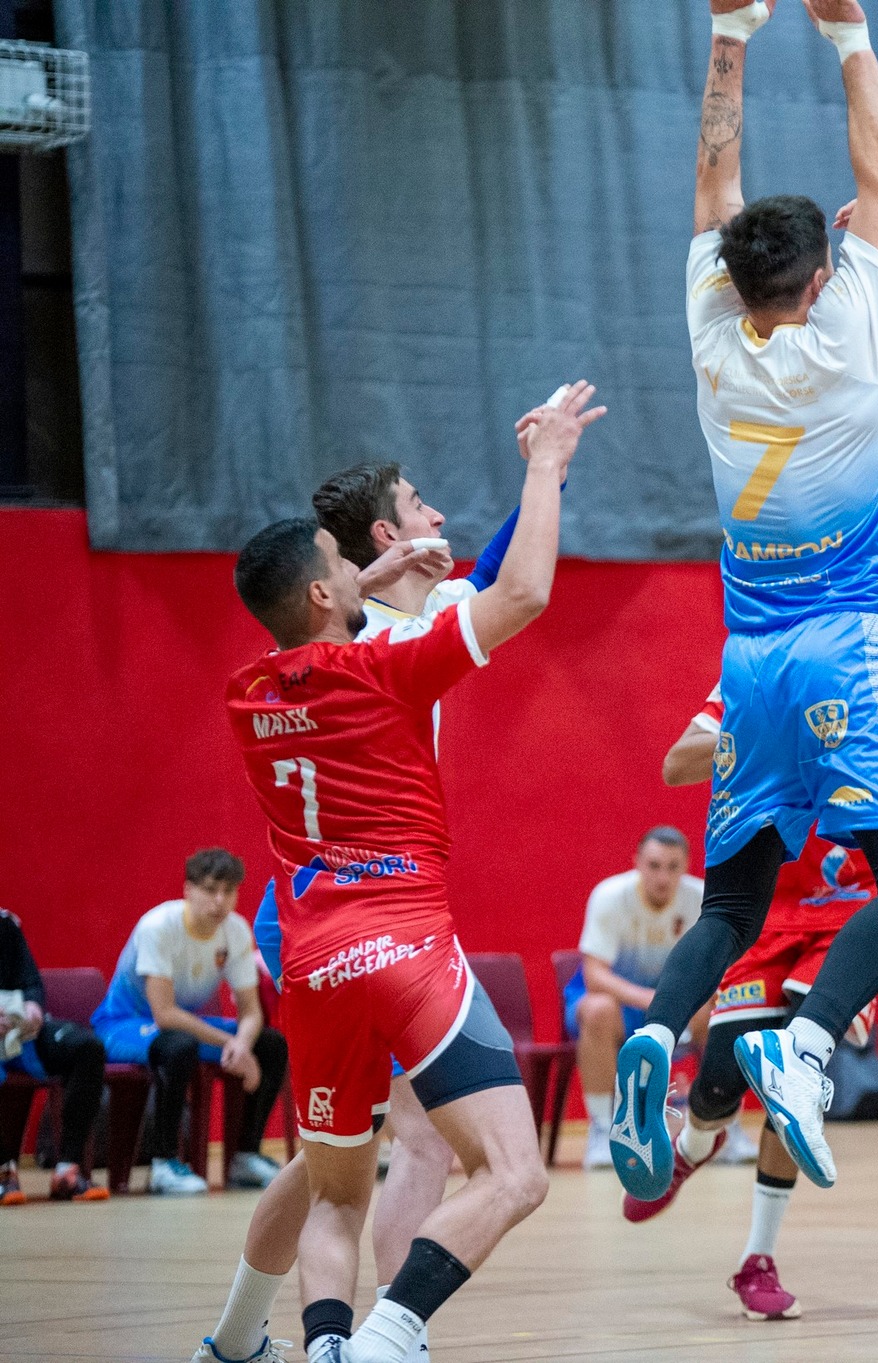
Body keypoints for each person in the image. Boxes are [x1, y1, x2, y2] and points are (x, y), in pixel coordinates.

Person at [608, 0, 878, 1200]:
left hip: (746, 659)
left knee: (733, 899)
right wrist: (848, 35)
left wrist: (730, 31)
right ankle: (804, 1049)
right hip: (845, 644)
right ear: (819, 280)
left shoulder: (711, 319)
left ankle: (655, 1034)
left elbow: (715, 172)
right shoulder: (848, 330)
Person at [224, 381, 602, 1362]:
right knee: (402, 1156)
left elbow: (472, 572)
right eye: (421, 503)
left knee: (349, 1160)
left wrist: (394, 562)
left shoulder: (276, 670)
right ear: (371, 544)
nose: (440, 516)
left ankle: (264, 1337)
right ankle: (393, 1326)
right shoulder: (391, 647)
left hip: (305, 916)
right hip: (370, 909)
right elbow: (513, 586)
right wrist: (547, 460)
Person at [648, 685, 878, 1319]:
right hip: (767, 916)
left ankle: (757, 1259)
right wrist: (768, 743)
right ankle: (692, 1146)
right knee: (715, 1090)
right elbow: (677, 763)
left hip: (849, 917)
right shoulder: (751, 678)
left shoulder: (874, 682)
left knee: (791, 1078)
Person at [90, 849, 287, 1197]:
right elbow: (164, 1014)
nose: (219, 900)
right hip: (123, 1024)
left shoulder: (236, 931)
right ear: (188, 889)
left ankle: (244, 1156)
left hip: (184, 1024)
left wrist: (242, 1045)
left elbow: (252, 1012)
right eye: (211, 889)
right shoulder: (158, 927)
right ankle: (165, 1163)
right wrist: (229, 1044)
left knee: (270, 1045)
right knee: (178, 1046)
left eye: (229, 891)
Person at [564, 827, 702, 1169]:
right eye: (654, 865)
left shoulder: (700, 899)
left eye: (673, 867)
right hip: (615, 1005)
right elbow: (595, 976)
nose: (663, 877)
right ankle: (601, 1130)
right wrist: (655, 1001)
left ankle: (717, 1126)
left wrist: (677, 1004)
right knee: (597, 1010)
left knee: (720, 1011)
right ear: (637, 862)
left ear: (685, 866)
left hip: (669, 1004)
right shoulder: (609, 896)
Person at [0, 908, 108, 1203]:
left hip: (18, 1031)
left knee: (87, 1048)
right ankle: (3, 1171)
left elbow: (30, 982)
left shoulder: (5, 924)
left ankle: (68, 1170)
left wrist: (33, 1006)